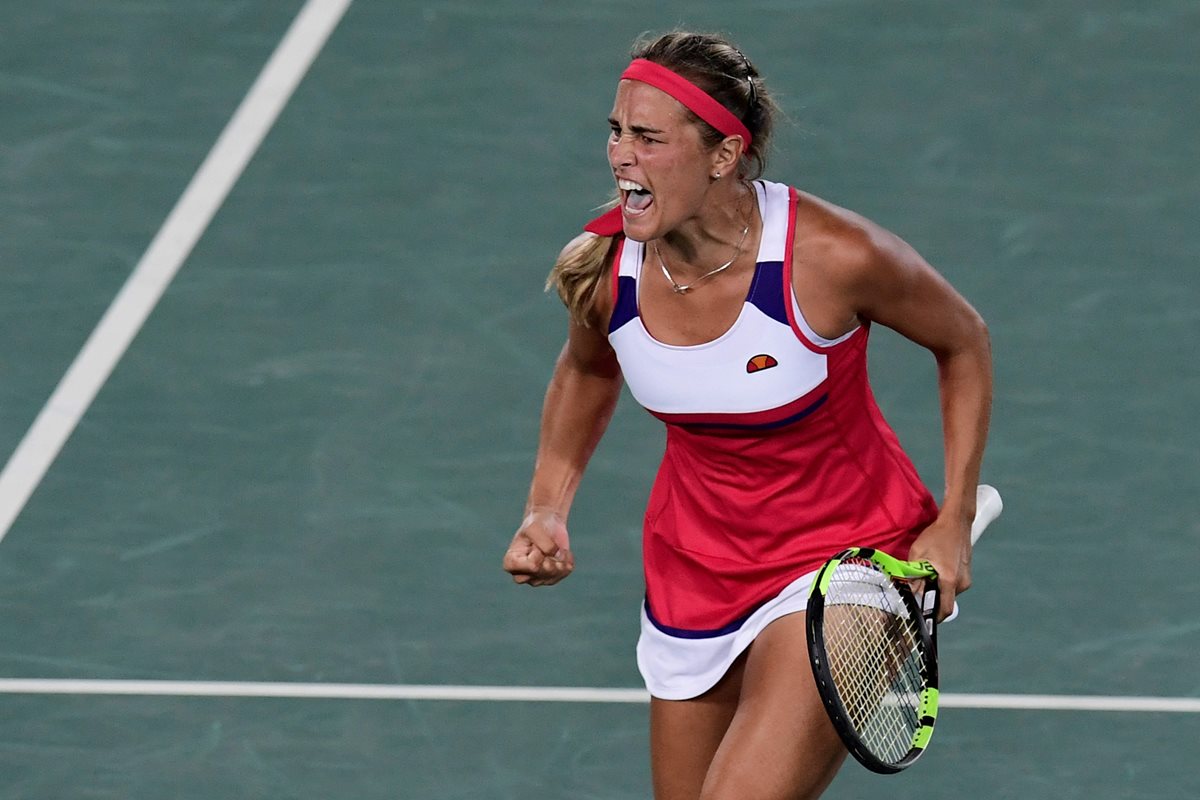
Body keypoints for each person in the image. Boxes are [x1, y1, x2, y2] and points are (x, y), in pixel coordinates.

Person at [502, 30, 992, 800]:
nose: (620, 156)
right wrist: (547, 508)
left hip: (845, 562)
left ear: (724, 155)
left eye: (648, 138)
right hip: (695, 568)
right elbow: (588, 369)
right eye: (616, 131)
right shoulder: (608, 273)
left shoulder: (831, 257)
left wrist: (954, 519)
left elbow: (963, 342)